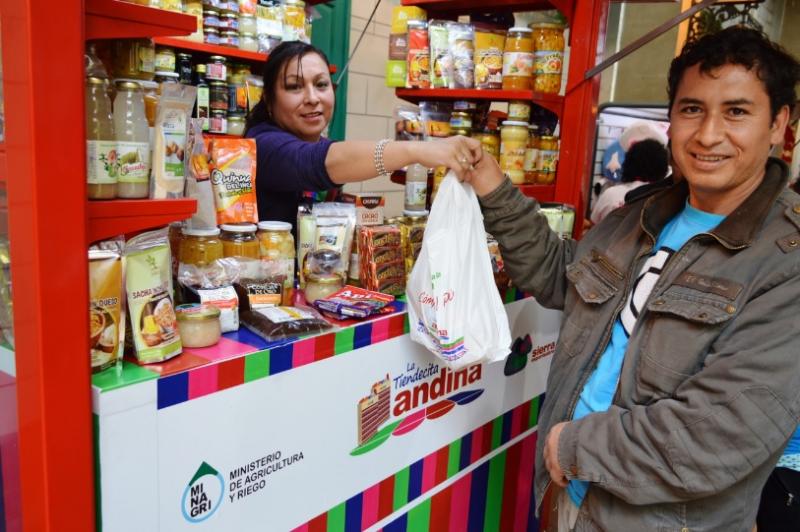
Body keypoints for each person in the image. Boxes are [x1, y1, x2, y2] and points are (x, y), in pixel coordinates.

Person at [462, 27, 800, 531]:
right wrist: (492, 183)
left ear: (778, 125)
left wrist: (571, 445)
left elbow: (720, 433)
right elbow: (560, 277)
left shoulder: (784, 263)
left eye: (736, 111)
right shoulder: (637, 217)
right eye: (691, 109)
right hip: (566, 499)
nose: (708, 134)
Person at [244, 41, 482, 228]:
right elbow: (313, 161)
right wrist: (416, 150)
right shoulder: (260, 146)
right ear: (268, 100)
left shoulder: (320, 144)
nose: (313, 98)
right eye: (294, 86)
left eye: (321, 84)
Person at [590, 138, 669, 223]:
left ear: (628, 162)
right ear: (663, 169)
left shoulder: (610, 194)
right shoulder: (665, 202)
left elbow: (594, 227)